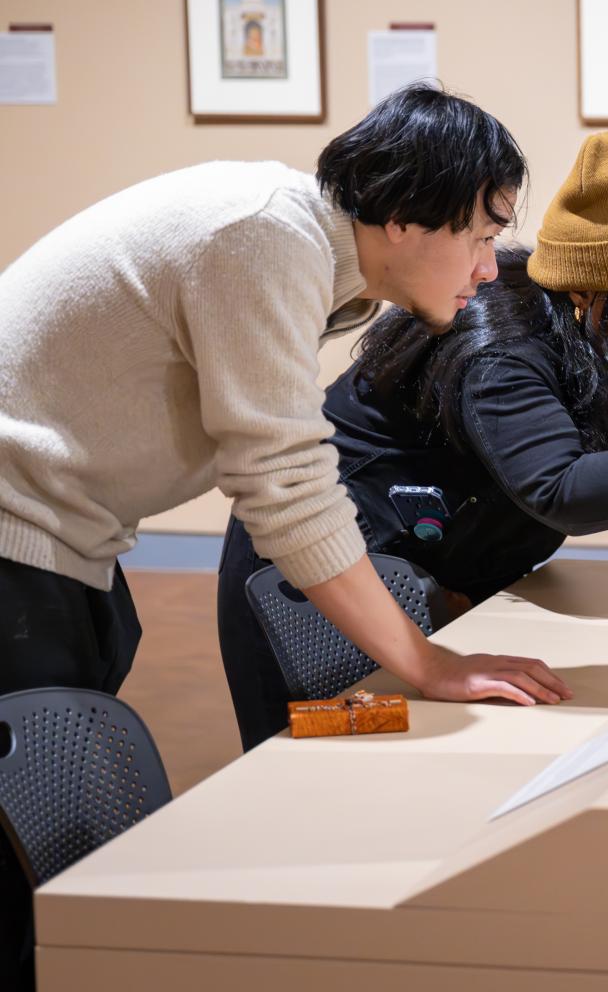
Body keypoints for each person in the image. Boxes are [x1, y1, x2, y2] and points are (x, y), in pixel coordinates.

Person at [0, 86, 570, 990]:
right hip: (15, 533)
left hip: (67, 535)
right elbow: (285, 485)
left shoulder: (306, 251)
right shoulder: (261, 239)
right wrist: (426, 665)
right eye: (479, 233)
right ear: (400, 216)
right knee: (33, 863)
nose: (490, 267)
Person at [218, 130, 608, 749]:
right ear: (584, 295)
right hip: (316, 579)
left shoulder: (583, 340)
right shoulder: (502, 353)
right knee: (310, 776)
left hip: (417, 576)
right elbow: (561, 488)